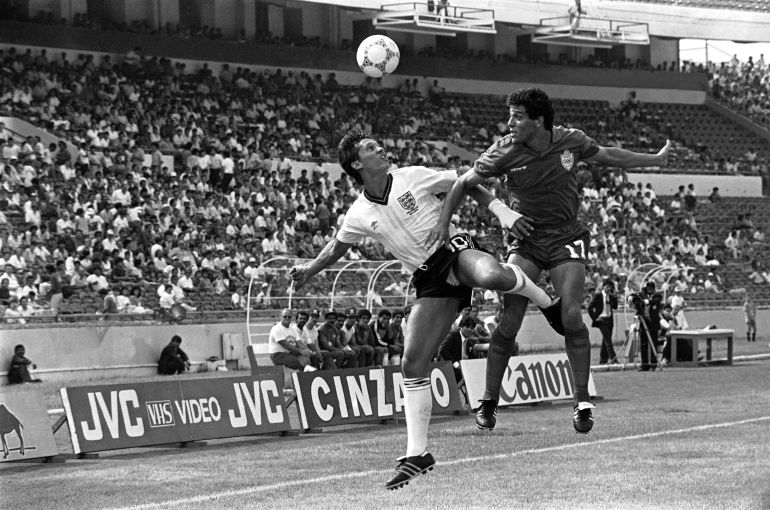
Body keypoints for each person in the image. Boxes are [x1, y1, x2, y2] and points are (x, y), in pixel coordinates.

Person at [289, 129, 559, 490]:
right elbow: (337, 246)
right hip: (428, 279)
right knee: (412, 363)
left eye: (377, 142)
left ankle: (545, 302)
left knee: (493, 275)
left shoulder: (411, 176)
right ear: (356, 163)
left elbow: (464, 182)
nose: (381, 147)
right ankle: (418, 455)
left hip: (454, 250)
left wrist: (502, 211)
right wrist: (308, 270)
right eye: (371, 148)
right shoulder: (358, 213)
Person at [432, 87, 670, 434]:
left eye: (517, 116)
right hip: (525, 240)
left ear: (538, 120)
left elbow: (607, 155)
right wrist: (463, 220)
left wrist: (653, 159)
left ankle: (582, 403)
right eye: (509, 114)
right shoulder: (503, 150)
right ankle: (488, 400)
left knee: (571, 315)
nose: (509, 122)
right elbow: (463, 184)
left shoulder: (570, 141)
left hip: (566, 237)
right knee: (510, 318)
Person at [587, 279, 619, 365]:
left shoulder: (611, 296)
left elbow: (615, 307)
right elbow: (590, 307)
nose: (609, 288)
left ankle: (603, 360)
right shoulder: (598, 296)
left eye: (610, 287)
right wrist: (595, 318)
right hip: (601, 320)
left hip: (609, 320)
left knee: (605, 341)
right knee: (608, 341)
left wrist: (615, 297)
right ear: (603, 286)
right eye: (607, 286)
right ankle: (614, 359)